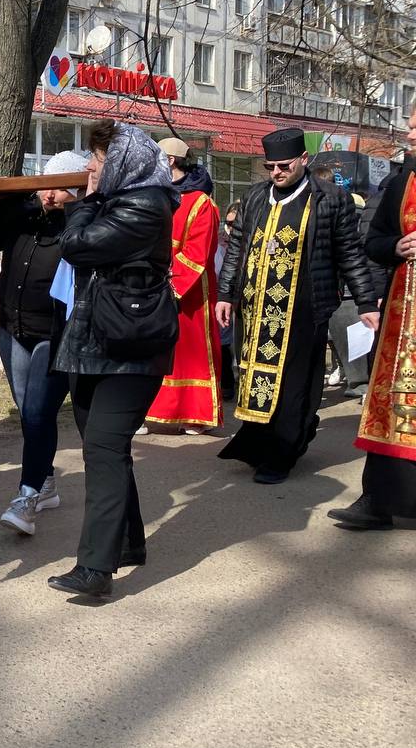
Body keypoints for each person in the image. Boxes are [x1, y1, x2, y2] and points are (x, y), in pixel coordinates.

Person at [46, 121, 177, 599]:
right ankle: (127, 542)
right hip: (96, 341)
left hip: (131, 346)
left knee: (103, 448)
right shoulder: (117, 199)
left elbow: (76, 247)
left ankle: (95, 569)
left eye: (99, 159)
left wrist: (81, 201)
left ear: (122, 163)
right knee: (105, 448)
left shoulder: (146, 205)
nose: (90, 166)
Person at [216, 128, 379, 484]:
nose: (276, 172)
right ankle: (259, 444)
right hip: (257, 309)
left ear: (304, 159)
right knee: (256, 378)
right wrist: (225, 294)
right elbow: (238, 248)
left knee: (294, 385)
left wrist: (366, 301)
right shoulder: (255, 196)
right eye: (270, 166)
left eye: (284, 165)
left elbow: (350, 253)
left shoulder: (330, 199)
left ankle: (283, 452)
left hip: (304, 309)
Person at [0, 150, 90, 536]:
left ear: (78, 189)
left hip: (55, 333)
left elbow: (83, 248)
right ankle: (46, 479)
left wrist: (76, 206)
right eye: (44, 186)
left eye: (60, 188)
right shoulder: (24, 214)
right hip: (13, 328)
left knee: (38, 412)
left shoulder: (82, 221)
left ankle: (28, 495)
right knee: (28, 413)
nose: (49, 195)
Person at [330, 105, 416, 530]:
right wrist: (395, 247)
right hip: (404, 315)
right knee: (390, 402)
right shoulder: (401, 181)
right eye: (411, 126)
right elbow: (374, 240)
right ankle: (378, 500)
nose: (410, 134)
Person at [144, 137, 222, 435]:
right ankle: (147, 412)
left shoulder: (201, 203)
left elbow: (197, 253)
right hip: (150, 287)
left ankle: (195, 415)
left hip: (189, 294)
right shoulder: (152, 194)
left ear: (170, 160)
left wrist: (168, 286)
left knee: (192, 353)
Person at [325, 193, 372, 399]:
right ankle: (356, 380)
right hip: (343, 292)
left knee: (353, 343)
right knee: (347, 342)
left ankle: (358, 382)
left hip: (349, 292)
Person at [217, 202, 241, 402]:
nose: (232, 227)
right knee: (224, 342)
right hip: (224, 298)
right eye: (229, 223)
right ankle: (227, 383)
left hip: (245, 299)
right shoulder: (219, 242)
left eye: (236, 223)